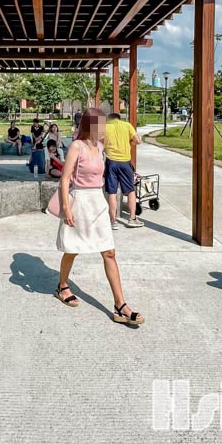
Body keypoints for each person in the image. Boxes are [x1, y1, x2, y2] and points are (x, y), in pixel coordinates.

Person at [54, 107, 145, 325]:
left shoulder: (101, 147)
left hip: (98, 202)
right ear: (90, 126)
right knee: (73, 249)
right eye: (100, 124)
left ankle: (120, 305)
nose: (104, 128)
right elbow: (65, 179)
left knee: (109, 252)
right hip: (80, 203)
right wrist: (66, 207)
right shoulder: (77, 146)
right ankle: (62, 285)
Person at [103, 112, 143, 229]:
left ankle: (113, 221)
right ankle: (132, 218)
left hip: (111, 162)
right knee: (130, 190)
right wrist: (129, 142)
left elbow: (99, 144)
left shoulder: (105, 127)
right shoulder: (127, 125)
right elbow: (138, 141)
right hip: (125, 162)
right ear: (119, 119)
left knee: (112, 192)